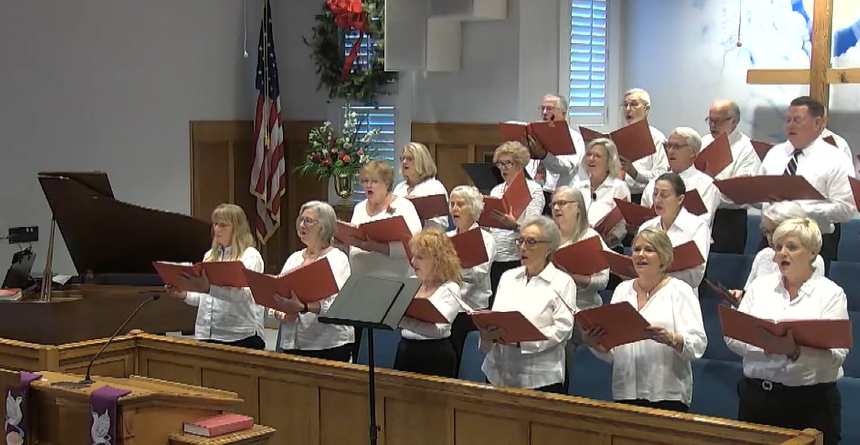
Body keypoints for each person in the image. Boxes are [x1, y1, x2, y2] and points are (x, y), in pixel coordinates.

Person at [725, 218, 848, 445]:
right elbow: (733, 337)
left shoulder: (831, 293)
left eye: (792, 247)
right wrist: (769, 346)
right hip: (757, 398)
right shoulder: (759, 287)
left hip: (811, 404)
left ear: (813, 252)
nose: (782, 253)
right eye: (778, 247)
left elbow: (837, 356)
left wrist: (794, 352)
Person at [582, 228, 707, 412]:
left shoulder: (680, 291)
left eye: (649, 250)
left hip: (666, 393)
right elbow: (615, 352)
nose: (641, 254)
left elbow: (698, 344)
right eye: (637, 249)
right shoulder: (622, 291)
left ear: (664, 258)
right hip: (625, 391)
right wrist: (596, 344)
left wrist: (672, 339)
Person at [480, 215, 576, 394]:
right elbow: (496, 317)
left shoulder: (563, 282)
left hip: (538, 378)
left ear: (549, 247)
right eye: (521, 241)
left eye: (531, 242)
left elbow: (563, 329)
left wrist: (523, 342)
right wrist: (487, 335)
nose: (523, 247)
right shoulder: (508, 277)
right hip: (497, 373)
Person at [758, 96, 854, 267]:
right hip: (771, 241)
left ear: (817, 124)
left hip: (811, 244)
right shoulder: (775, 154)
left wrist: (799, 212)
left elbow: (846, 209)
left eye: (797, 120)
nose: (790, 125)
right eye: (788, 120)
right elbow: (762, 198)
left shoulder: (835, 158)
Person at [166, 203, 266, 350]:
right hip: (207, 334)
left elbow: (243, 296)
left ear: (237, 228)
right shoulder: (210, 256)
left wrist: (208, 288)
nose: (216, 228)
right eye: (215, 223)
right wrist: (184, 294)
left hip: (239, 336)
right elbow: (205, 299)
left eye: (223, 225)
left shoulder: (250, 257)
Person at [271, 201, 353, 362]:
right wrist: (281, 313)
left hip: (327, 345)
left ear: (324, 226)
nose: (302, 225)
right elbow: (275, 294)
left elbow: (338, 305)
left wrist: (303, 307)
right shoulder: (294, 258)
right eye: (300, 220)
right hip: (292, 343)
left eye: (308, 221)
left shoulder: (336, 259)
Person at [550, 186, 609, 385]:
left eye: (563, 203)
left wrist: (572, 278)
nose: (557, 208)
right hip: (553, 314)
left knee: (577, 378)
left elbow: (603, 281)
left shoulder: (590, 238)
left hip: (583, 315)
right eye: (554, 204)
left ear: (578, 208)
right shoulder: (548, 237)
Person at [395, 229, 462, 378]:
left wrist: (401, 320)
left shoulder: (450, 289)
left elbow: (437, 330)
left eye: (419, 257)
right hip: (406, 351)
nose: (413, 262)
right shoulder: (411, 282)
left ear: (438, 260)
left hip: (435, 356)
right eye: (413, 256)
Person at [485, 141, 546, 306]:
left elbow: (534, 225)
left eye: (508, 163)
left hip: (517, 256)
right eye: (500, 163)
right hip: (496, 257)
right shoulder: (496, 190)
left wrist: (515, 225)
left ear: (520, 164)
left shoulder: (533, 189)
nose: (503, 168)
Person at [343, 160, 423, 280]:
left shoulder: (404, 206)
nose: (368, 185)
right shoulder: (359, 207)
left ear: (387, 183)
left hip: (393, 280)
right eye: (365, 181)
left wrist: (377, 247)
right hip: (360, 279)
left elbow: (415, 246)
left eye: (374, 181)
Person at [729, 202, 824, 301]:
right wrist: (740, 298)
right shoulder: (763, 256)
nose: (770, 238)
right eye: (767, 232)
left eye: (775, 231)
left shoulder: (812, 260)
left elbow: (810, 302)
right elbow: (748, 295)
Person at [700, 100, 761, 254]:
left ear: (734, 121)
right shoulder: (703, 142)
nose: (712, 126)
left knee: (723, 269)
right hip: (700, 214)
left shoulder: (747, 148)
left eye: (718, 121)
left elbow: (742, 192)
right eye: (710, 120)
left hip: (729, 220)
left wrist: (711, 182)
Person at [446, 185, 496, 369]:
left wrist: (452, 267)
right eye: (452, 204)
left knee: (465, 363)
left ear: (473, 208)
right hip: (448, 307)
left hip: (472, 309)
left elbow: (478, 274)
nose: (455, 209)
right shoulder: (446, 237)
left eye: (460, 204)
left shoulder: (485, 239)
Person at [639, 173, 710, 293]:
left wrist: (658, 276)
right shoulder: (646, 227)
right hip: (648, 295)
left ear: (680, 199)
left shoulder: (698, 226)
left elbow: (696, 276)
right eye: (655, 194)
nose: (657, 200)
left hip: (681, 297)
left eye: (664, 195)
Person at [641, 127, 721, 227]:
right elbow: (643, 215)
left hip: (689, 240)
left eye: (676, 147)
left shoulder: (706, 185)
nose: (670, 151)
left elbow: (702, 224)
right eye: (669, 146)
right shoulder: (654, 182)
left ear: (692, 153)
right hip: (653, 239)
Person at [523, 94, 586, 214]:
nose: (544, 112)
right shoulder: (534, 134)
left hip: (561, 195)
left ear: (563, 113)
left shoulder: (575, 138)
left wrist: (544, 155)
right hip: (535, 193)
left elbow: (567, 168)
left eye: (549, 108)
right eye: (542, 108)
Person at [571, 138, 630, 249]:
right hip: (578, 243)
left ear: (609, 162)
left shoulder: (618, 187)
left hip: (609, 247)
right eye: (589, 155)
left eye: (597, 156)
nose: (591, 159)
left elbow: (623, 224)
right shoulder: (578, 187)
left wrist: (608, 239)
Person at [617, 88, 669, 204]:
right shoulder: (618, 136)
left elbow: (661, 175)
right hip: (618, 195)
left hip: (643, 198)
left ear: (646, 109)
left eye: (634, 105)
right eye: (625, 105)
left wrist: (634, 173)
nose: (628, 109)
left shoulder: (656, 138)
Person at [392, 142, 450, 231]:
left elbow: (442, 224)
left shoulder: (435, 186)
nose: (404, 162)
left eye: (410, 159)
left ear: (422, 161)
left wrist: (419, 218)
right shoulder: (399, 188)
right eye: (403, 158)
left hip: (426, 240)